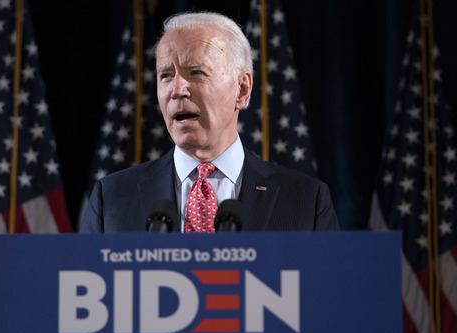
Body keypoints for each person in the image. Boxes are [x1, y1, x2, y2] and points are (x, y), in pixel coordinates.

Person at [79, 12, 339, 233]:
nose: (177, 89)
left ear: (242, 90)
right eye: (166, 75)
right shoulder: (111, 198)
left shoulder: (307, 201)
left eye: (196, 73)